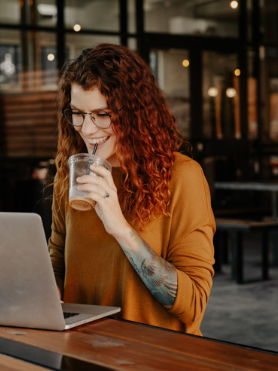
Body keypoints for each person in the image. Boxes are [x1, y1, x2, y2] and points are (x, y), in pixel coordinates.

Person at [48, 43, 215, 336]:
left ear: (135, 114)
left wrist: (120, 228)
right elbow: (58, 264)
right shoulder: (72, 174)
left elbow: (193, 305)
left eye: (102, 114)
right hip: (84, 348)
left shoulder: (181, 177)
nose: (87, 129)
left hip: (155, 355)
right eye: (78, 113)